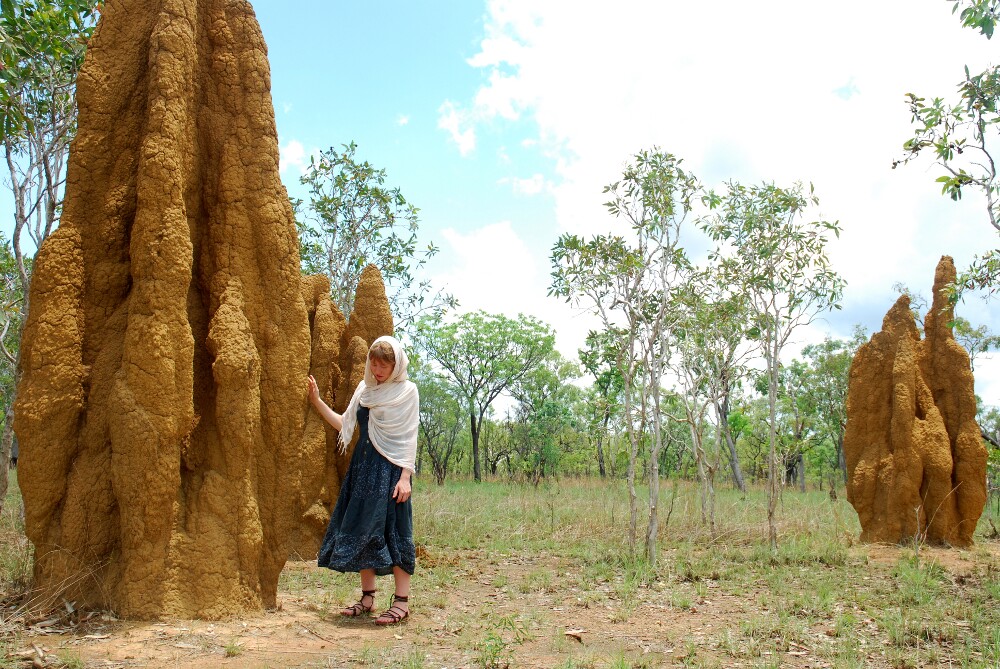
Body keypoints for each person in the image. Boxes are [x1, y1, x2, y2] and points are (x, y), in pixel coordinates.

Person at [307, 335, 419, 625]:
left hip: (392, 471)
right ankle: (367, 598)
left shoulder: (407, 391)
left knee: (395, 531)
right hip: (363, 469)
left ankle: (402, 603)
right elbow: (344, 423)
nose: (378, 370)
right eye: (374, 364)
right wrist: (317, 402)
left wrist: (405, 477)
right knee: (362, 529)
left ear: (396, 365)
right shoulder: (364, 389)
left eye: (384, 365)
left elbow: (410, 436)